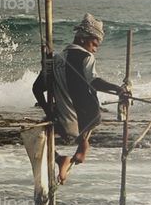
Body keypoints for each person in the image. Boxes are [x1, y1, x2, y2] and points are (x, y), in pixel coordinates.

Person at [32, 13, 129, 183]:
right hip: (87, 118)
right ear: (83, 39)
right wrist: (117, 89)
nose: (95, 49)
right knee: (89, 113)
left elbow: (37, 88)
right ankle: (83, 144)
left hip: (62, 122)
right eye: (94, 43)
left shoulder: (55, 59)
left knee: (37, 137)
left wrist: (49, 110)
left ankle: (59, 158)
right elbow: (94, 81)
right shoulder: (86, 57)